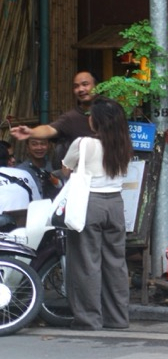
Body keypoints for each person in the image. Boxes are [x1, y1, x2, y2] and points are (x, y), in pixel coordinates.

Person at [62, 97, 133, 331]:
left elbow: (66, 169)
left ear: (97, 121)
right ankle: (118, 318)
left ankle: (89, 319)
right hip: (115, 205)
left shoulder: (83, 143)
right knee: (116, 263)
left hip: (89, 203)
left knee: (86, 262)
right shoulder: (123, 144)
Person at [10, 71, 99, 155]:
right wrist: (31, 132)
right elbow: (49, 129)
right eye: (76, 86)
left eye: (85, 84)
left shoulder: (111, 110)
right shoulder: (71, 118)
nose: (80, 89)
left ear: (97, 86)